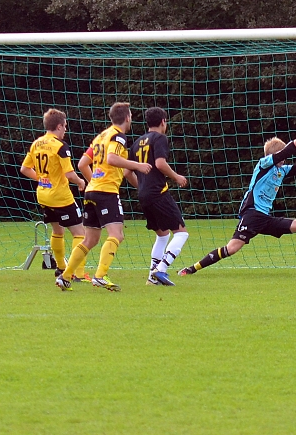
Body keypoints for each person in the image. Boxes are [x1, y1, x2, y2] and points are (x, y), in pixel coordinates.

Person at [178, 118, 296, 276]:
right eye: (281, 155)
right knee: (232, 248)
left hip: (265, 218)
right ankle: (192, 269)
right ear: (273, 155)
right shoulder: (264, 164)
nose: (284, 157)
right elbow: (288, 150)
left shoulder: (281, 170)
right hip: (252, 214)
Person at [56, 102, 151, 292]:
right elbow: (112, 159)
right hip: (106, 192)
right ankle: (100, 276)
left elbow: (83, 163)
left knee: (89, 240)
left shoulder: (101, 136)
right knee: (117, 235)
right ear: (127, 118)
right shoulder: (118, 136)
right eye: (131, 115)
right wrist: (138, 165)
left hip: (92, 191)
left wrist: (93, 182)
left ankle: (65, 276)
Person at [20, 108, 89, 281]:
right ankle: (77, 273)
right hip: (60, 197)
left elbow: (24, 169)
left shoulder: (36, 143)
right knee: (80, 233)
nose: (66, 129)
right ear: (59, 126)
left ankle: (60, 267)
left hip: (43, 195)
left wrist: (43, 179)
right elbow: (70, 174)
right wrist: (81, 182)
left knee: (57, 231)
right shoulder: (60, 146)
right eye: (65, 126)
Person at [128, 107, 189, 286]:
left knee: (162, 235)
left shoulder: (136, 142)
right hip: (158, 193)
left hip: (144, 196)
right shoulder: (160, 138)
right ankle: (161, 269)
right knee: (181, 233)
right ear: (163, 121)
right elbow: (160, 163)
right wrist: (177, 177)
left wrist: (142, 186)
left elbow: (126, 172)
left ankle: (151, 277)